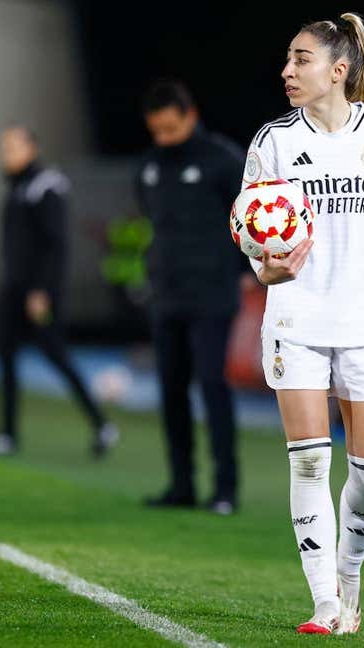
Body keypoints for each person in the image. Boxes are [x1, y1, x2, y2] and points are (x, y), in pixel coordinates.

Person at [243, 13, 364, 634]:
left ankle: (349, 571)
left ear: (338, 70)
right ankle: (326, 600)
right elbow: (249, 226)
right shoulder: (272, 141)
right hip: (296, 317)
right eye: (288, 60)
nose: (287, 71)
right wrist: (262, 269)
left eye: (300, 60)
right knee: (306, 462)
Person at [0, 126, 119, 458]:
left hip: (37, 293)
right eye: (4, 147)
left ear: (31, 148)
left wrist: (41, 290)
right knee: (6, 355)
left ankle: (102, 424)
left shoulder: (45, 187)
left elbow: (56, 246)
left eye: (12, 147)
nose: (6, 154)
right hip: (13, 289)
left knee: (56, 355)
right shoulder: (17, 187)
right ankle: (7, 433)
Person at [136, 79, 246, 514]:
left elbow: (249, 221)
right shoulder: (147, 166)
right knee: (170, 389)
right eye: (156, 131)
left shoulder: (224, 161)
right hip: (166, 294)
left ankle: (225, 489)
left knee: (212, 385)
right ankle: (181, 484)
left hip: (213, 295)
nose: (164, 139)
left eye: (171, 129)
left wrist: (242, 274)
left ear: (190, 117)